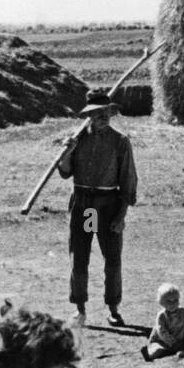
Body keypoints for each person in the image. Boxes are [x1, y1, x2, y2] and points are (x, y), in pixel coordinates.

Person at [57, 90, 138, 327]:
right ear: (89, 116)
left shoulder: (120, 142)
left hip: (108, 205)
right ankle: (80, 308)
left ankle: (113, 308)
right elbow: (64, 172)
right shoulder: (77, 140)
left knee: (112, 260)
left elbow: (128, 181)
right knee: (79, 258)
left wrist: (121, 214)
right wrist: (67, 153)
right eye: (98, 113)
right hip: (83, 205)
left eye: (107, 113)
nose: (104, 117)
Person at [141, 283, 184, 361]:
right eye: (169, 301)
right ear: (162, 303)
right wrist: (173, 344)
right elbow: (162, 332)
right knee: (155, 351)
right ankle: (169, 350)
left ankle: (181, 351)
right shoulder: (162, 316)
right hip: (163, 341)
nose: (173, 304)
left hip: (181, 340)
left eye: (175, 300)